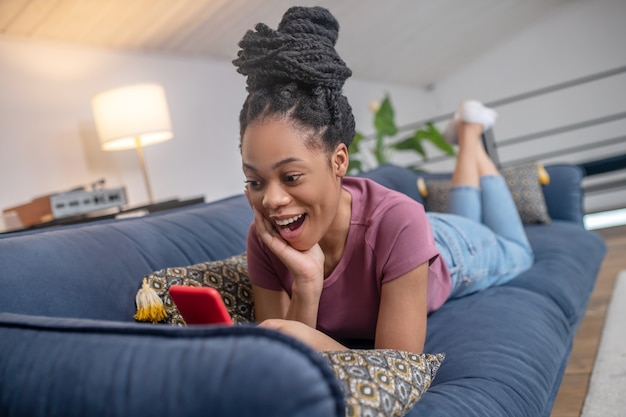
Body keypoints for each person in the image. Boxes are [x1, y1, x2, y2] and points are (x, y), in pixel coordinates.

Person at [232, 6, 533, 355]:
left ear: (339, 160)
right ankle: (469, 134)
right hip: (406, 232)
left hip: (453, 249)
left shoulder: (398, 221)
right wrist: (306, 283)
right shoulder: (264, 239)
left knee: (521, 253)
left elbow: (398, 365)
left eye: (291, 176)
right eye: (255, 182)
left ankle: (470, 135)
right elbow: (285, 355)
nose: (271, 200)